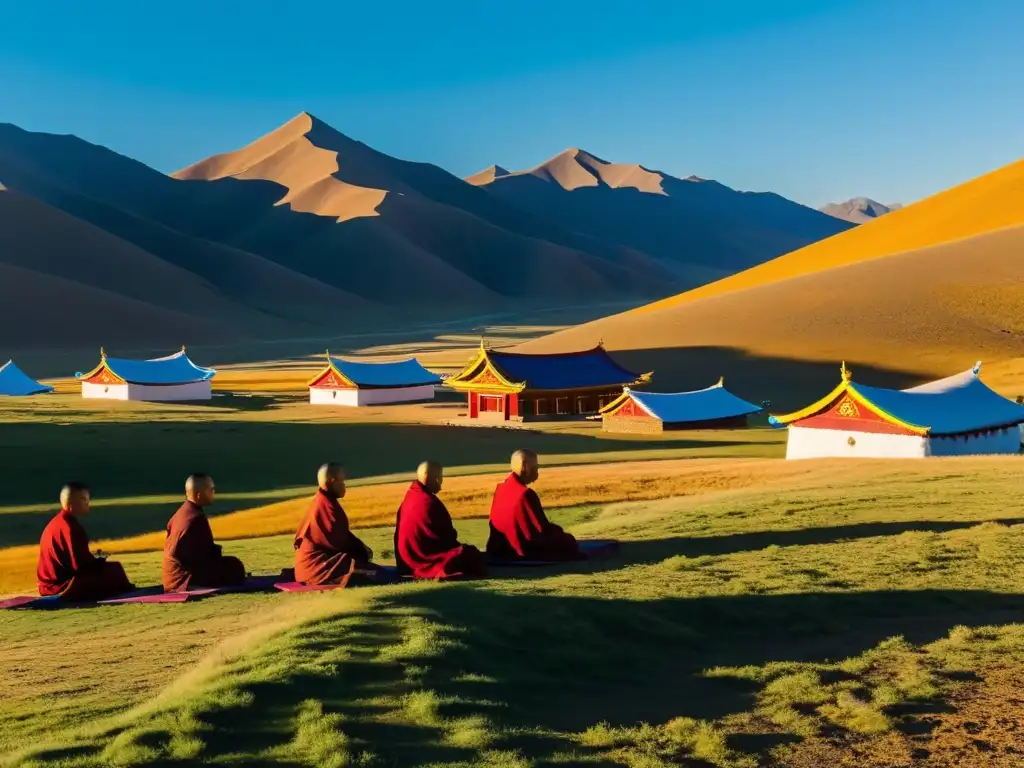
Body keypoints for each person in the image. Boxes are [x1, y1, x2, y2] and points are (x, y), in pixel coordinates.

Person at [37, 481, 134, 600]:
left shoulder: (55, 523)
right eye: (83, 499)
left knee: (112, 569)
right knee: (114, 570)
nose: (88, 503)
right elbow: (80, 566)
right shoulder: (70, 528)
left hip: (48, 586)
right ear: (70, 503)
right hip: (63, 586)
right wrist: (98, 563)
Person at [394, 461, 486, 580]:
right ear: (428, 477)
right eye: (438, 477)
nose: (440, 482)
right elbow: (448, 538)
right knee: (469, 553)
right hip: (423, 561)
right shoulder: (429, 502)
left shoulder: (411, 496)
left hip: (405, 563)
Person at [294, 462, 380, 586]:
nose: (344, 485)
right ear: (333, 481)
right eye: (342, 481)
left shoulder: (323, 502)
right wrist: (361, 550)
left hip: (308, 569)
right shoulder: (325, 507)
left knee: (362, 566)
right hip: (314, 570)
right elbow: (338, 544)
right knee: (361, 568)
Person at [487, 449, 581, 562]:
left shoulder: (500, 488)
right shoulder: (525, 494)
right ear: (525, 466)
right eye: (535, 468)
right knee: (568, 541)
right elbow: (540, 530)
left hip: (498, 550)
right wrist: (558, 532)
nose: (537, 473)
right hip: (520, 552)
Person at [162, 473, 246, 592]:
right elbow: (179, 551)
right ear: (199, 494)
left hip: (174, 578)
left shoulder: (183, 512)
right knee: (234, 566)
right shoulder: (194, 517)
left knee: (231, 564)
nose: (214, 492)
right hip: (184, 579)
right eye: (211, 489)